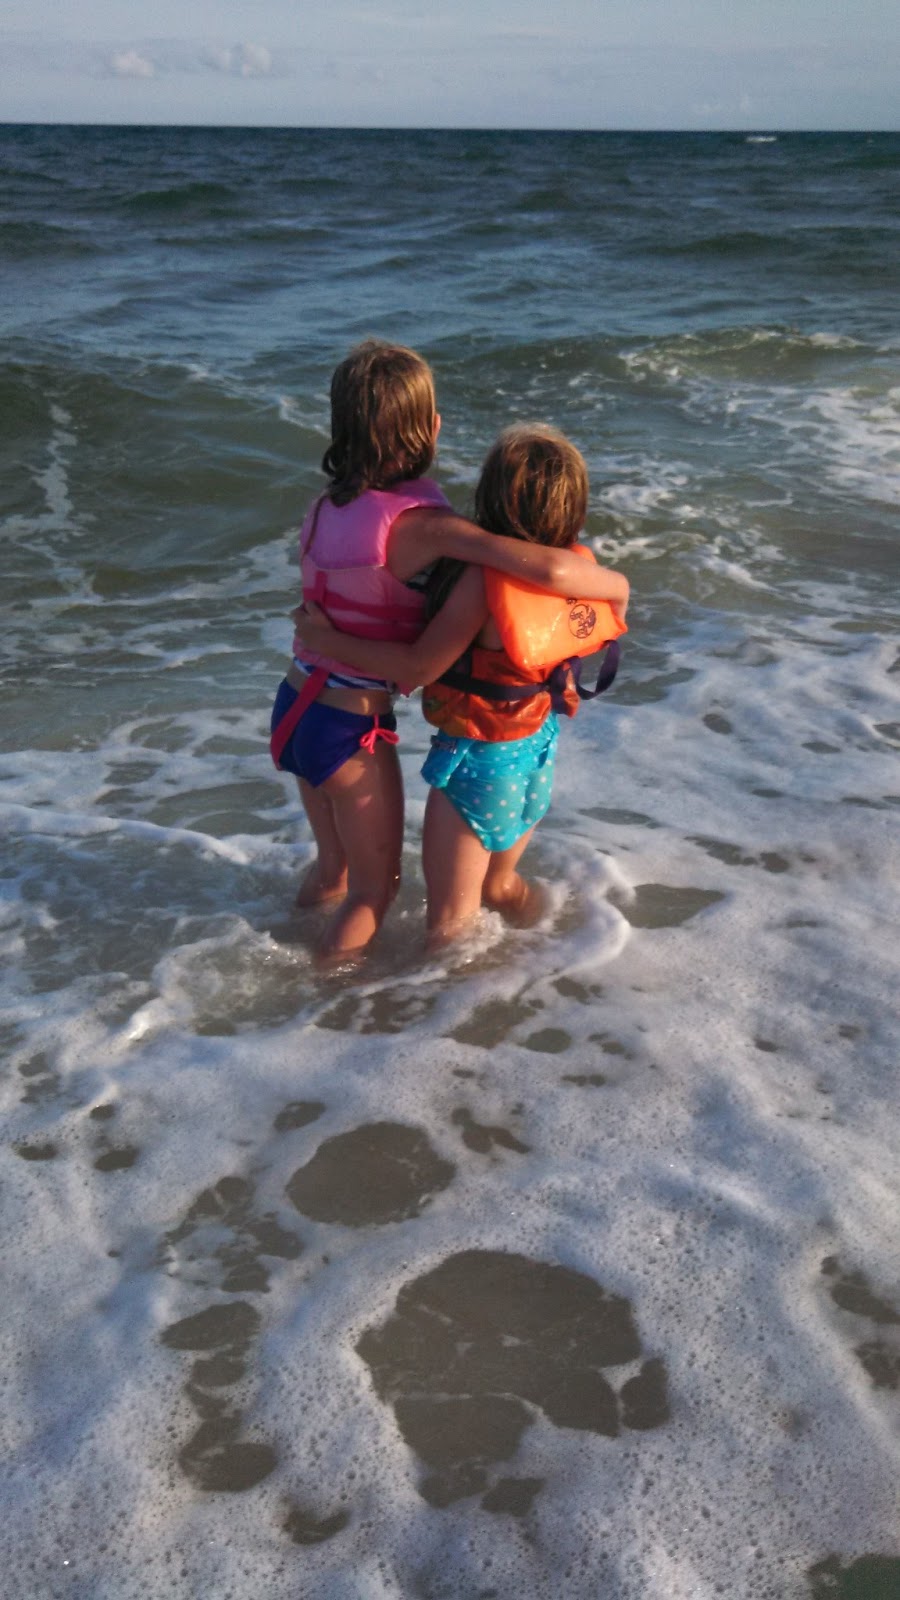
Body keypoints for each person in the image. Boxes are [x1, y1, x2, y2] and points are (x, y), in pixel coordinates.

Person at [273, 342, 629, 963]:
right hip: (348, 729)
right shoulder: (427, 528)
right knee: (371, 894)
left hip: (296, 706)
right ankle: (317, 999)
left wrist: (321, 641)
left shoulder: (324, 507)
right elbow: (543, 569)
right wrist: (618, 587)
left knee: (333, 871)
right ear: (432, 428)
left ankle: (282, 939)